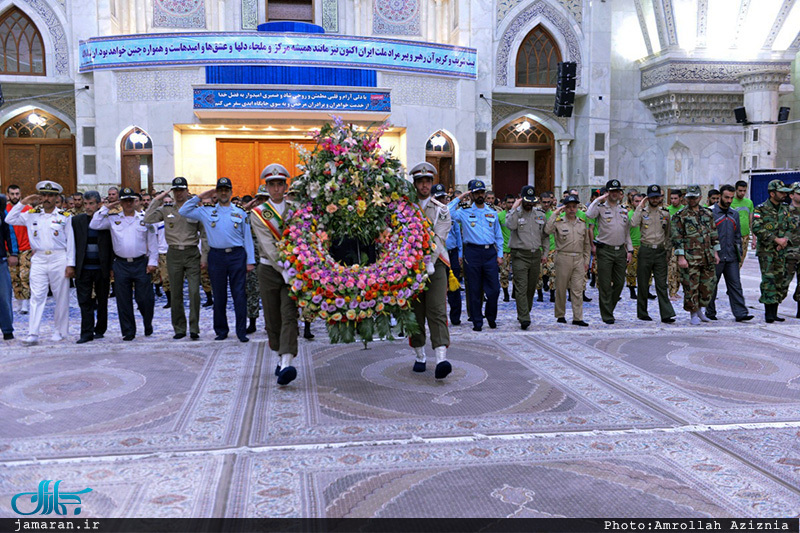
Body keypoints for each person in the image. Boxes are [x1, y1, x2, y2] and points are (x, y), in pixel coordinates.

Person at [180, 177, 255, 342]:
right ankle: (221, 330)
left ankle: (241, 331)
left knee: (239, 294)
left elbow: (247, 237)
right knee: (219, 295)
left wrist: (250, 260)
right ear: (216, 192)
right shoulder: (207, 211)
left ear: (231, 192)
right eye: (220, 190)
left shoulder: (240, 212)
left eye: (226, 190)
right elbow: (183, 211)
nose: (223, 193)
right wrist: (201, 196)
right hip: (216, 256)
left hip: (237, 255)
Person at [248, 165, 300, 385]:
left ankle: (287, 362)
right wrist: (284, 269)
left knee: (289, 314)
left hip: (293, 270)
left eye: (280, 184)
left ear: (285, 186)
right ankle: (280, 355)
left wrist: (294, 268)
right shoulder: (259, 213)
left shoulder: (296, 209)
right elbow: (268, 246)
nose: (277, 188)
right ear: (266, 187)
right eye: (272, 185)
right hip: (269, 269)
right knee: (272, 318)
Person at [6, 181, 75, 345]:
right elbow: (9, 219)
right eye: (44, 195)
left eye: (50, 195)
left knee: (61, 296)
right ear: (40, 197)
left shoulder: (64, 217)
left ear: (56, 198)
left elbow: (71, 242)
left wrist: (70, 264)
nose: (47, 198)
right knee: (36, 296)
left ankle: (59, 331)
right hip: (39, 258)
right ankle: (33, 333)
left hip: (59, 258)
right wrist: (23, 202)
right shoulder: (32, 214)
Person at [90, 187, 158, 340]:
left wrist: (153, 261)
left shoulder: (144, 218)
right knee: (123, 300)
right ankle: (128, 331)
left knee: (144, 299)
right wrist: (108, 207)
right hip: (121, 264)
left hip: (141, 263)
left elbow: (152, 241)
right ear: (120, 202)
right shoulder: (113, 218)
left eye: (131, 200)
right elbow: (94, 224)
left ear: (135, 201)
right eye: (125, 200)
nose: (128, 203)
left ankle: (147, 322)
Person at [143, 177, 205, 340]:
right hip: (174, 253)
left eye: (181, 190)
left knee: (194, 292)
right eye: (176, 190)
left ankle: (194, 328)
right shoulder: (166, 209)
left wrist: (204, 256)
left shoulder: (195, 210)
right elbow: (147, 219)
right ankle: (179, 328)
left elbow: (204, 234)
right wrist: (157, 199)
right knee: (176, 293)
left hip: (191, 252)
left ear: (187, 191)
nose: (179, 193)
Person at [407, 162, 452, 379]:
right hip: (411, 266)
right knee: (415, 312)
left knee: (437, 309)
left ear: (432, 183)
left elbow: (439, 238)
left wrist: (429, 263)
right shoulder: (405, 208)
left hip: (437, 264)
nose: (424, 185)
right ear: (415, 184)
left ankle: (441, 358)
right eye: (420, 181)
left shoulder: (441, 209)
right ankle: (419, 355)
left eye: (427, 181)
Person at [449, 179, 503, 331]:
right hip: (472, 252)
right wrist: (460, 197)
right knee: (474, 289)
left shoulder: (492, 212)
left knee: (494, 289)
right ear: (471, 195)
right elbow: (447, 211)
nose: (480, 195)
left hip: (490, 253)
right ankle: (477, 321)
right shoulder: (464, 211)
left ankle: (491, 317)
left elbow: (498, 235)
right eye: (476, 193)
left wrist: (499, 254)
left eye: (482, 192)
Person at [585, 179, 633, 324]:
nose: (614, 194)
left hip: (620, 251)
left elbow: (627, 233)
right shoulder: (600, 208)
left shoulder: (623, 210)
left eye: (617, 191)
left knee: (619, 282)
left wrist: (629, 250)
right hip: (605, 250)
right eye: (611, 191)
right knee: (605, 284)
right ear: (607, 193)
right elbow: (589, 215)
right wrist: (598, 199)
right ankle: (607, 314)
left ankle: (609, 308)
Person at [671, 184, 720, 325]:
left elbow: (713, 233)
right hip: (690, 257)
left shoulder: (707, 213)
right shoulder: (680, 215)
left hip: (707, 256)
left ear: (700, 197)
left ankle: (700, 310)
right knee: (691, 287)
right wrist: (681, 257)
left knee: (707, 286)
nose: (692, 200)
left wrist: (716, 252)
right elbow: (677, 238)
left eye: (694, 197)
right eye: (689, 198)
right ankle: (693, 313)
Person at [706, 184, 753, 322]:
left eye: (731, 198)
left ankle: (741, 313)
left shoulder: (734, 214)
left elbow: (737, 235)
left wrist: (739, 253)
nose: (729, 200)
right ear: (720, 196)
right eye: (726, 197)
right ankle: (710, 312)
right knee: (711, 285)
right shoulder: (710, 213)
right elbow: (706, 236)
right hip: (716, 256)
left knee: (735, 285)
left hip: (731, 256)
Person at [629, 185, 676, 323]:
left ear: (660, 198)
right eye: (652, 197)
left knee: (661, 284)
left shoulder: (665, 213)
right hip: (646, 250)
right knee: (643, 283)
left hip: (660, 251)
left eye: (657, 197)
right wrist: (640, 206)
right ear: (648, 198)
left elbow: (668, 234)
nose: (655, 200)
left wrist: (668, 251)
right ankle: (642, 312)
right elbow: (633, 223)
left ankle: (666, 313)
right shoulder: (642, 212)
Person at [71, 191, 113, 343]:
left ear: (99, 204)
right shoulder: (76, 221)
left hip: (102, 268)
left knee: (102, 300)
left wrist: (111, 266)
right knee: (84, 301)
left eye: (91, 204)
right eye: (86, 204)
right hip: (83, 268)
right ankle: (86, 332)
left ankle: (100, 329)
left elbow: (112, 245)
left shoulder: (107, 220)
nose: (88, 207)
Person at [544, 194, 591, 326]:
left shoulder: (582, 223)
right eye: (569, 207)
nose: (571, 209)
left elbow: (586, 244)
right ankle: (560, 315)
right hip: (563, 257)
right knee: (561, 288)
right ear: (564, 208)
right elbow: (547, 230)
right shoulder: (559, 222)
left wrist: (586, 261)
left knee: (577, 289)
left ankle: (578, 317)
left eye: (574, 207)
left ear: (577, 208)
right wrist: (555, 214)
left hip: (578, 258)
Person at [506, 185, 547, 330]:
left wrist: (545, 253)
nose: (529, 204)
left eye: (532, 201)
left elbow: (545, 236)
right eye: (527, 201)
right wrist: (514, 208)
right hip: (520, 255)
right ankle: (524, 317)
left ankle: (525, 312)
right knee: (521, 287)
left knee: (531, 288)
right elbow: (510, 225)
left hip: (535, 255)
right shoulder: (516, 214)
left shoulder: (540, 214)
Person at [751, 179, 793, 323]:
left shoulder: (785, 208)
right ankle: (768, 313)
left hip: (782, 250)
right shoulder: (761, 209)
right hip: (767, 251)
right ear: (772, 193)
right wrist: (776, 240)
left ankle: (775, 312)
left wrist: (785, 240)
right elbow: (757, 227)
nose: (784, 195)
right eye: (781, 193)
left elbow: (791, 226)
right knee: (769, 280)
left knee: (780, 279)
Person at [436, 184, 462, 326]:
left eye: (443, 198)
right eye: (439, 198)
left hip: (452, 253)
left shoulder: (450, 214)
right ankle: (439, 316)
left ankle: (455, 316)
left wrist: (460, 253)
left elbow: (458, 235)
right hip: (438, 254)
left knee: (454, 286)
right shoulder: (431, 214)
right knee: (438, 287)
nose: (442, 201)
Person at [5, 184, 31, 315]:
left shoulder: (28, 209)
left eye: (17, 194)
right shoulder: (4, 209)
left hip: (26, 247)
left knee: (24, 276)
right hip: (10, 249)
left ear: (20, 194)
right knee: (14, 276)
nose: (15, 196)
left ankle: (25, 303)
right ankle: (19, 302)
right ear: (8, 195)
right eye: (12, 194)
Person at [0, 193, 18, 340]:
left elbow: (10, 233)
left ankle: (7, 330)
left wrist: (13, 253)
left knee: (4, 297)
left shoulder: (1, 210)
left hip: (0, 261)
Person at [537, 191, 556, 302]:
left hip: (552, 247)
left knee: (553, 272)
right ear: (540, 202)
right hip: (539, 247)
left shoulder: (554, 214)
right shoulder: (536, 214)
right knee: (538, 274)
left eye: (548, 202)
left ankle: (552, 294)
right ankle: (540, 294)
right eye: (544, 202)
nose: (546, 204)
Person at [731, 180, 755, 268]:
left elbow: (751, 221)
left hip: (745, 236)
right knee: (733, 260)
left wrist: (754, 238)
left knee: (741, 260)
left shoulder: (749, 203)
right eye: (740, 190)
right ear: (736, 190)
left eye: (744, 191)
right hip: (733, 236)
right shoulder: (730, 202)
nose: (742, 193)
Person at [785, 182, 800, 318]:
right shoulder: (785, 212)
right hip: (789, 253)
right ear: (791, 195)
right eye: (798, 193)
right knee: (783, 282)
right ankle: (772, 309)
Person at [626, 193, 645, 300]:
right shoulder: (629, 215)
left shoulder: (646, 214)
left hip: (644, 245)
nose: (639, 203)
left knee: (646, 270)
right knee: (631, 270)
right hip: (633, 245)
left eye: (640, 201)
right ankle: (632, 290)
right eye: (636, 201)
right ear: (632, 202)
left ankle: (646, 290)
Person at [666, 189, 684, 298]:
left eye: (675, 198)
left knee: (680, 270)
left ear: (681, 198)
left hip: (683, 242)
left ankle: (676, 290)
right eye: (671, 198)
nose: (673, 201)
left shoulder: (684, 210)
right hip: (671, 242)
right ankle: (672, 292)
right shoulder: (667, 211)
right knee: (672, 268)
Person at [497, 194, 515, 302]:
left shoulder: (518, 215)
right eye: (509, 202)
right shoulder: (500, 216)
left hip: (516, 248)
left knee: (517, 272)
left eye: (513, 202)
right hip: (504, 248)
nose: (511, 204)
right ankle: (506, 293)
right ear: (504, 204)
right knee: (504, 273)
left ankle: (515, 291)